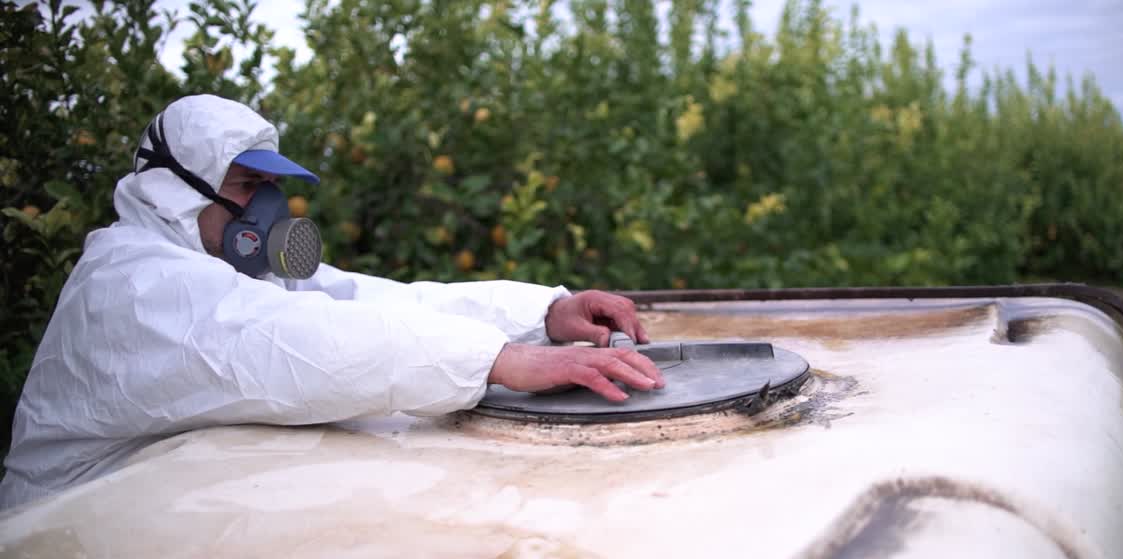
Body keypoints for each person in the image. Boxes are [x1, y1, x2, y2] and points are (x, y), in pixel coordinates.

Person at [1, 94, 663, 509]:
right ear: (179, 189)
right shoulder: (132, 283)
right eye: (249, 183)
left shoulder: (238, 271)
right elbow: (296, 344)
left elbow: (372, 301)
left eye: (272, 185)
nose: (268, 205)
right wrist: (498, 361)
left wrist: (540, 315)